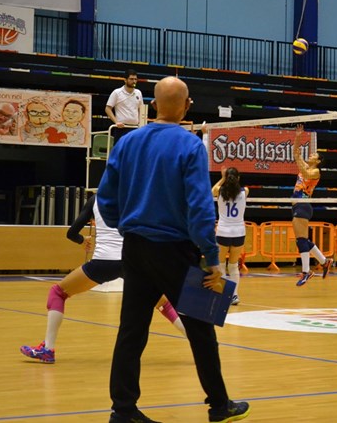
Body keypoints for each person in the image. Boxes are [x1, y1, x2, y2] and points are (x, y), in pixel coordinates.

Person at [97, 76, 249, 423]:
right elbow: (199, 207)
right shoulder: (190, 145)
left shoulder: (127, 142)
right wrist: (212, 257)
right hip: (175, 250)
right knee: (201, 328)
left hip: (135, 248)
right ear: (188, 105)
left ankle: (123, 410)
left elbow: (105, 199)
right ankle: (219, 405)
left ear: (152, 105)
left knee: (131, 330)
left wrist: (127, 227)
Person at [19, 194, 186, 364]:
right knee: (164, 305)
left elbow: (72, 233)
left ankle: (48, 349)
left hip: (103, 262)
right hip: (131, 261)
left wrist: (82, 240)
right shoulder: (136, 196)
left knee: (58, 292)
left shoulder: (96, 199)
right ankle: (197, 342)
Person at [291, 123, 332, 286]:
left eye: (314, 154)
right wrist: (298, 137)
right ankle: (324, 261)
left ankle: (306, 271)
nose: (311, 154)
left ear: (318, 160)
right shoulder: (306, 167)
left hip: (303, 204)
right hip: (297, 205)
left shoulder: (315, 172)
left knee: (301, 240)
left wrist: (300, 161)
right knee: (302, 240)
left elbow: (306, 173)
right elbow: (296, 153)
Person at [212, 167, 248, 306]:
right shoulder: (245, 191)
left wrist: (222, 178)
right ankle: (234, 295)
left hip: (223, 232)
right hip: (239, 232)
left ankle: (223, 294)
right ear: (238, 178)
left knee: (221, 265)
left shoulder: (219, 191)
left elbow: (212, 190)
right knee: (233, 266)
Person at [105, 69, 143, 143]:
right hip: (121, 128)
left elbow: (141, 109)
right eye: (131, 79)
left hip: (135, 128)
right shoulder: (117, 92)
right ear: (125, 80)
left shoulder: (138, 93)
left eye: (135, 79)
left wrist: (141, 123)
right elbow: (107, 109)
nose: (134, 81)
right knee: (120, 149)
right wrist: (116, 122)